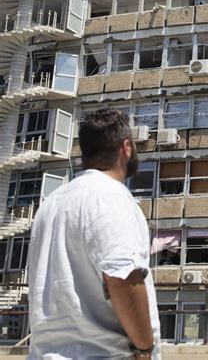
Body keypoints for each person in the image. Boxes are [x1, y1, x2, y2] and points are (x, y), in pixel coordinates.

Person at [27, 109, 160, 359]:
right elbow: (121, 277)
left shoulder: (52, 203)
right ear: (126, 148)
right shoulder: (109, 196)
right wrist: (144, 349)